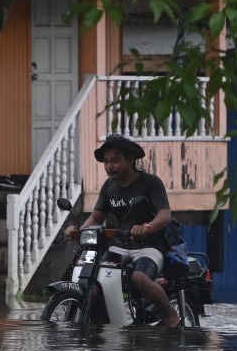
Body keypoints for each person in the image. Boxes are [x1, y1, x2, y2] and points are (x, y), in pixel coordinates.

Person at [66, 133, 181, 327]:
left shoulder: (150, 182)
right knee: (97, 272)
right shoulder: (110, 186)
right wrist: (79, 230)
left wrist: (147, 227)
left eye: (115, 161)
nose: (109, 166)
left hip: (150, 246)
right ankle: (106, 320)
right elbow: (96, 217)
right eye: (106, 162)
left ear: (130, 160)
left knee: (139, 277)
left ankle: (169, 313)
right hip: (120, 245)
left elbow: (165, 215)